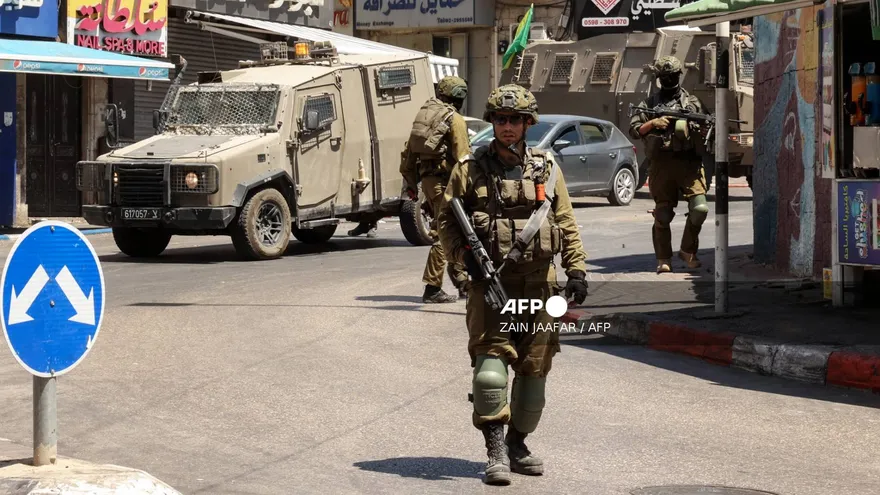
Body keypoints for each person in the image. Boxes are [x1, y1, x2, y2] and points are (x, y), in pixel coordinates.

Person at [436, 84, 589, 485]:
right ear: (493, 123)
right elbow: (446, 223)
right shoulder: (468, 169)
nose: (507, 127)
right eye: (501, 120)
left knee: (534, 379)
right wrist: (464, 257)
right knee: (490, 375)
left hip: (540, 287)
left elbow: (566, 222)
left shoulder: (547, 167)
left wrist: (577, 271)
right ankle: (495, 450)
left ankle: (518, 444)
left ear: (527, 123)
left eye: (515, 120)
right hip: (491, 288)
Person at [629, 55, 711, 274]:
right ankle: (663, 258)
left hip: (689, 164)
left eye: (673, 76)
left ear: (679, 76)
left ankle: (687, 250)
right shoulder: (649, 104)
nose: (669, 80)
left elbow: (708, 126)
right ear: (659, 78)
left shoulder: (692, 102)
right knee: (663, 214)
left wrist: (698, 128)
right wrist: (653, 123)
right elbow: (634, 130)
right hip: (662, 165)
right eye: (665, 77)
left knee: (700, 209)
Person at [400, 76, 472, 304]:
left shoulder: (425, 115)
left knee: (455, 229)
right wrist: (471, 188)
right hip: (446, 183)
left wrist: (411, 183)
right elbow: (463, 159)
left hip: (429, 182)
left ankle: (462, 282)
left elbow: (408, 153)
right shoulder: (454, 119)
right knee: (446, 233)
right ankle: (432, 288)